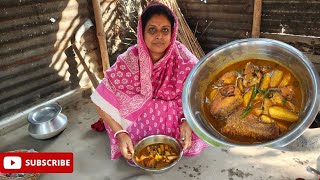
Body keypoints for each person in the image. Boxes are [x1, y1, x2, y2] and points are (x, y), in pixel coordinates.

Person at [91, 2, 208, 161]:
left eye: (165, 30)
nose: (159, 36)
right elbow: (100, 100)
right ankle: (132, 141)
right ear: (142, 33)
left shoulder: (184, 59)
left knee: (201, 121)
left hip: (179, 121)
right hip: (138, 124)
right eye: (152, 29)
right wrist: (120, 132)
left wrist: (188, 121)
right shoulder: (130, 60)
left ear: (172, 33)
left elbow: (200, 93)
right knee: (118, 113)